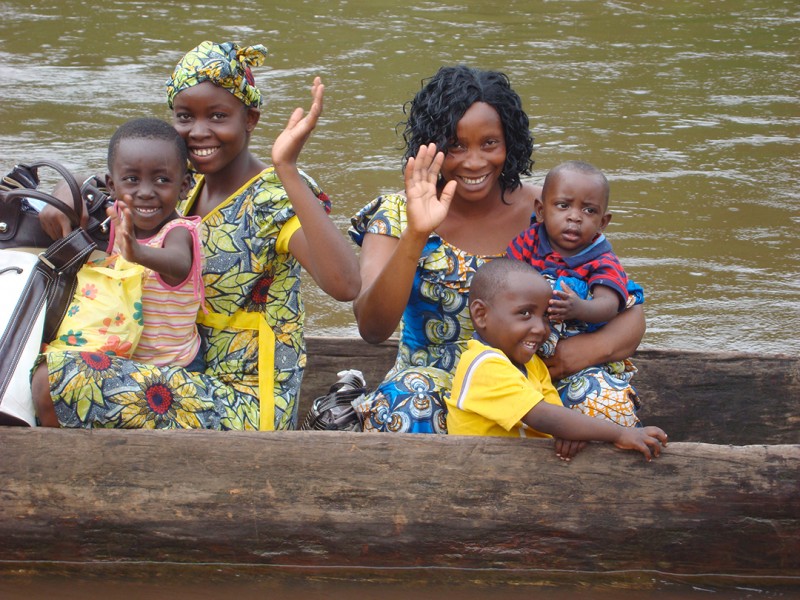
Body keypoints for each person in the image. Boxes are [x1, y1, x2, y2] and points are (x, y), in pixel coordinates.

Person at [35, 41, 360, 430]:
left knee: (55, 378)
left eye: (218, 116)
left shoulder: (274, 195)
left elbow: (345, 285)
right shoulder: (181, 185)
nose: (199, 132)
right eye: (185, 117)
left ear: (250, 119)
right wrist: (64, 191)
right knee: (36, 354)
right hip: (181, 371)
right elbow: (117, 184)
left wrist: (287, 167)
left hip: (245, 399)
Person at [349, 65, 646, 433]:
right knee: (409, 403)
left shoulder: (552, 212)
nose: (474, 161)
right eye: (455, 145)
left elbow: (629, 312)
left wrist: (576, 356)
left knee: (604, 404)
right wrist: (416, 234)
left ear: (510, 143)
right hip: (438, 385)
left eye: (490, 143)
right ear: (433, 146)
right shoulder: (398, 214)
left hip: (539, 379)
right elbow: (372, 328)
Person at [31, 117, 206, 426]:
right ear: (112, 186)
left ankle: (57, 449)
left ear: (184, 186)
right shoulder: (112, 223)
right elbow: (77, 182)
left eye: (162, 181)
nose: (146, 192)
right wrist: (64, 189)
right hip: (123, 361)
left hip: (172, 371)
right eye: (132, 180)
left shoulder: (179, 232)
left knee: (50, 378)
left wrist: (136, 252)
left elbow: (178, 263)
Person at [446, 258, 667, 462]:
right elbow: (543, 416)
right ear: (481, 315)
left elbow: (557, 415)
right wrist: (620, 433)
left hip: (517, 466)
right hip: (479, 467)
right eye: (525, 314)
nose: (541, 328)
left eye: (545, 316)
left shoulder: (533, 364)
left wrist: (569, 433)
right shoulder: (484, 364)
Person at [507, 160, 641, 427]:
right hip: (528, 354)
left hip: (585, 363)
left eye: (589, 210)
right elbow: (507, 283)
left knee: (598, 400)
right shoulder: (528, 241)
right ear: (541, 210)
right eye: (563, 206)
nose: (575, 217)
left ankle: (581, 431)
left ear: (603, 222)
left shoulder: (602, 259)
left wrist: (578, 308)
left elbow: (609, 304)